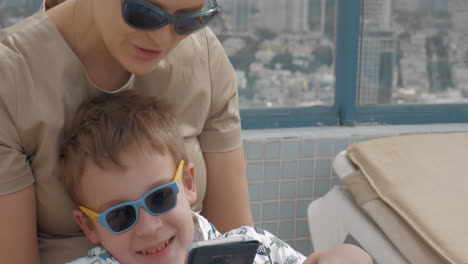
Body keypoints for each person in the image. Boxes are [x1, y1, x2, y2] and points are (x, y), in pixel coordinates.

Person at [0, 0, 253, 263]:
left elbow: (236, 242)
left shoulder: (203, 56)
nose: (161, 38)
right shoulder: (9, 81)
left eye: (189, 19)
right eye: (142, 12)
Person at [60, 91, 373, 264]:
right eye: (120, 216)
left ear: (189, 185)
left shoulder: (255, 247)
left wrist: (349, 256)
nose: (149, 227)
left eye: (160, 197)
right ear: (89, 225)